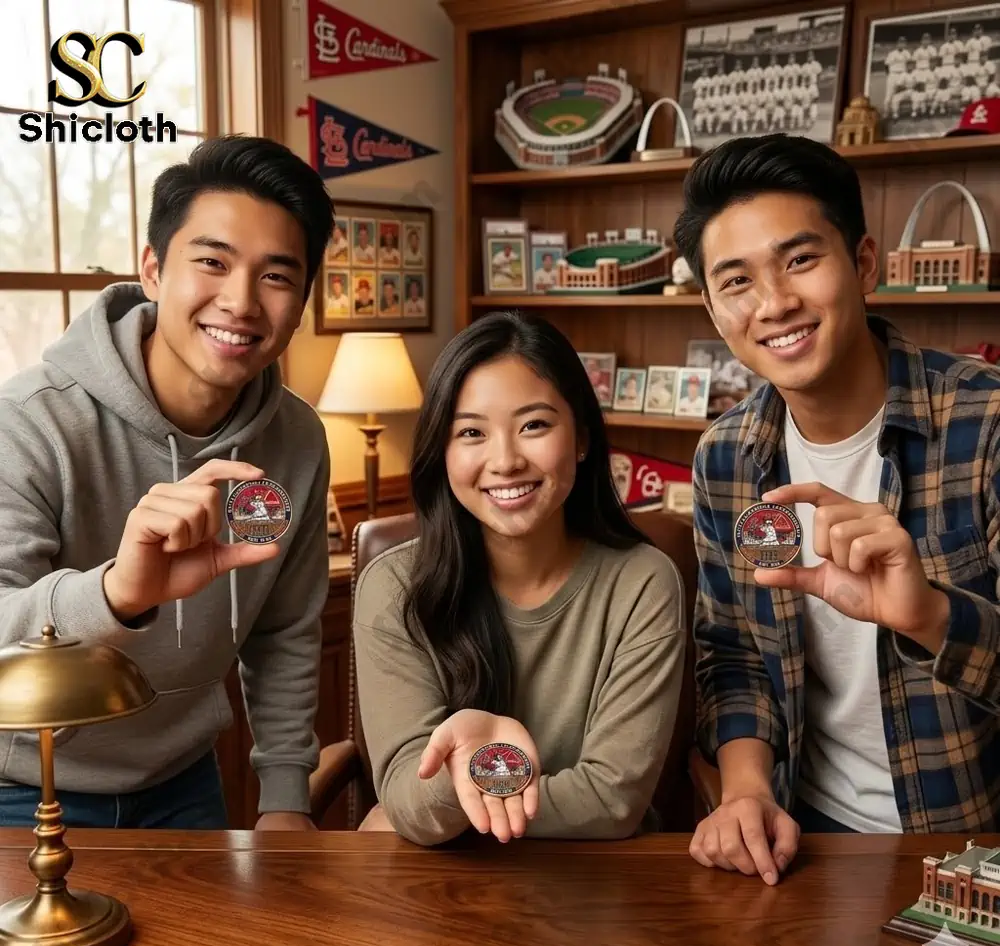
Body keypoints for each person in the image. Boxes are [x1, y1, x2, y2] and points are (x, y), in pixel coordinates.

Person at [672, 134, 1000, 883]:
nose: (775, 303)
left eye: (799, 260)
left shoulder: (984, 427)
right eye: (737, 281)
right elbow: (734, 653)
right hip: (804, 841)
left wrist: (928, 615)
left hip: (971, 844)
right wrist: (747, 793)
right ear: (715, 309)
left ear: (862, 264)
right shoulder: (727, 458)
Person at [0, 135, 335, 830]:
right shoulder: (29, 424)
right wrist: (119, 592)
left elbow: (287, 633)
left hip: (185, 784)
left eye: (276, 276)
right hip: (21, 785)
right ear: (153, 269)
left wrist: (284, 798)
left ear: (301, 302)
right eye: (211, 262)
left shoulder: (297, 441)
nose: (241, 302)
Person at [352, 312, 686, 845]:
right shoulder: (394, 588)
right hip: (443, 891)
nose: (505, 460)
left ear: (580, 438)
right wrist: (466, 767)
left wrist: (469, 786)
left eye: (534, 425)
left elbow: (612, 800)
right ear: (442, 452)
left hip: (600, 890)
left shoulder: (642, 583)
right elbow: (409, 802)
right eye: (471, 433)